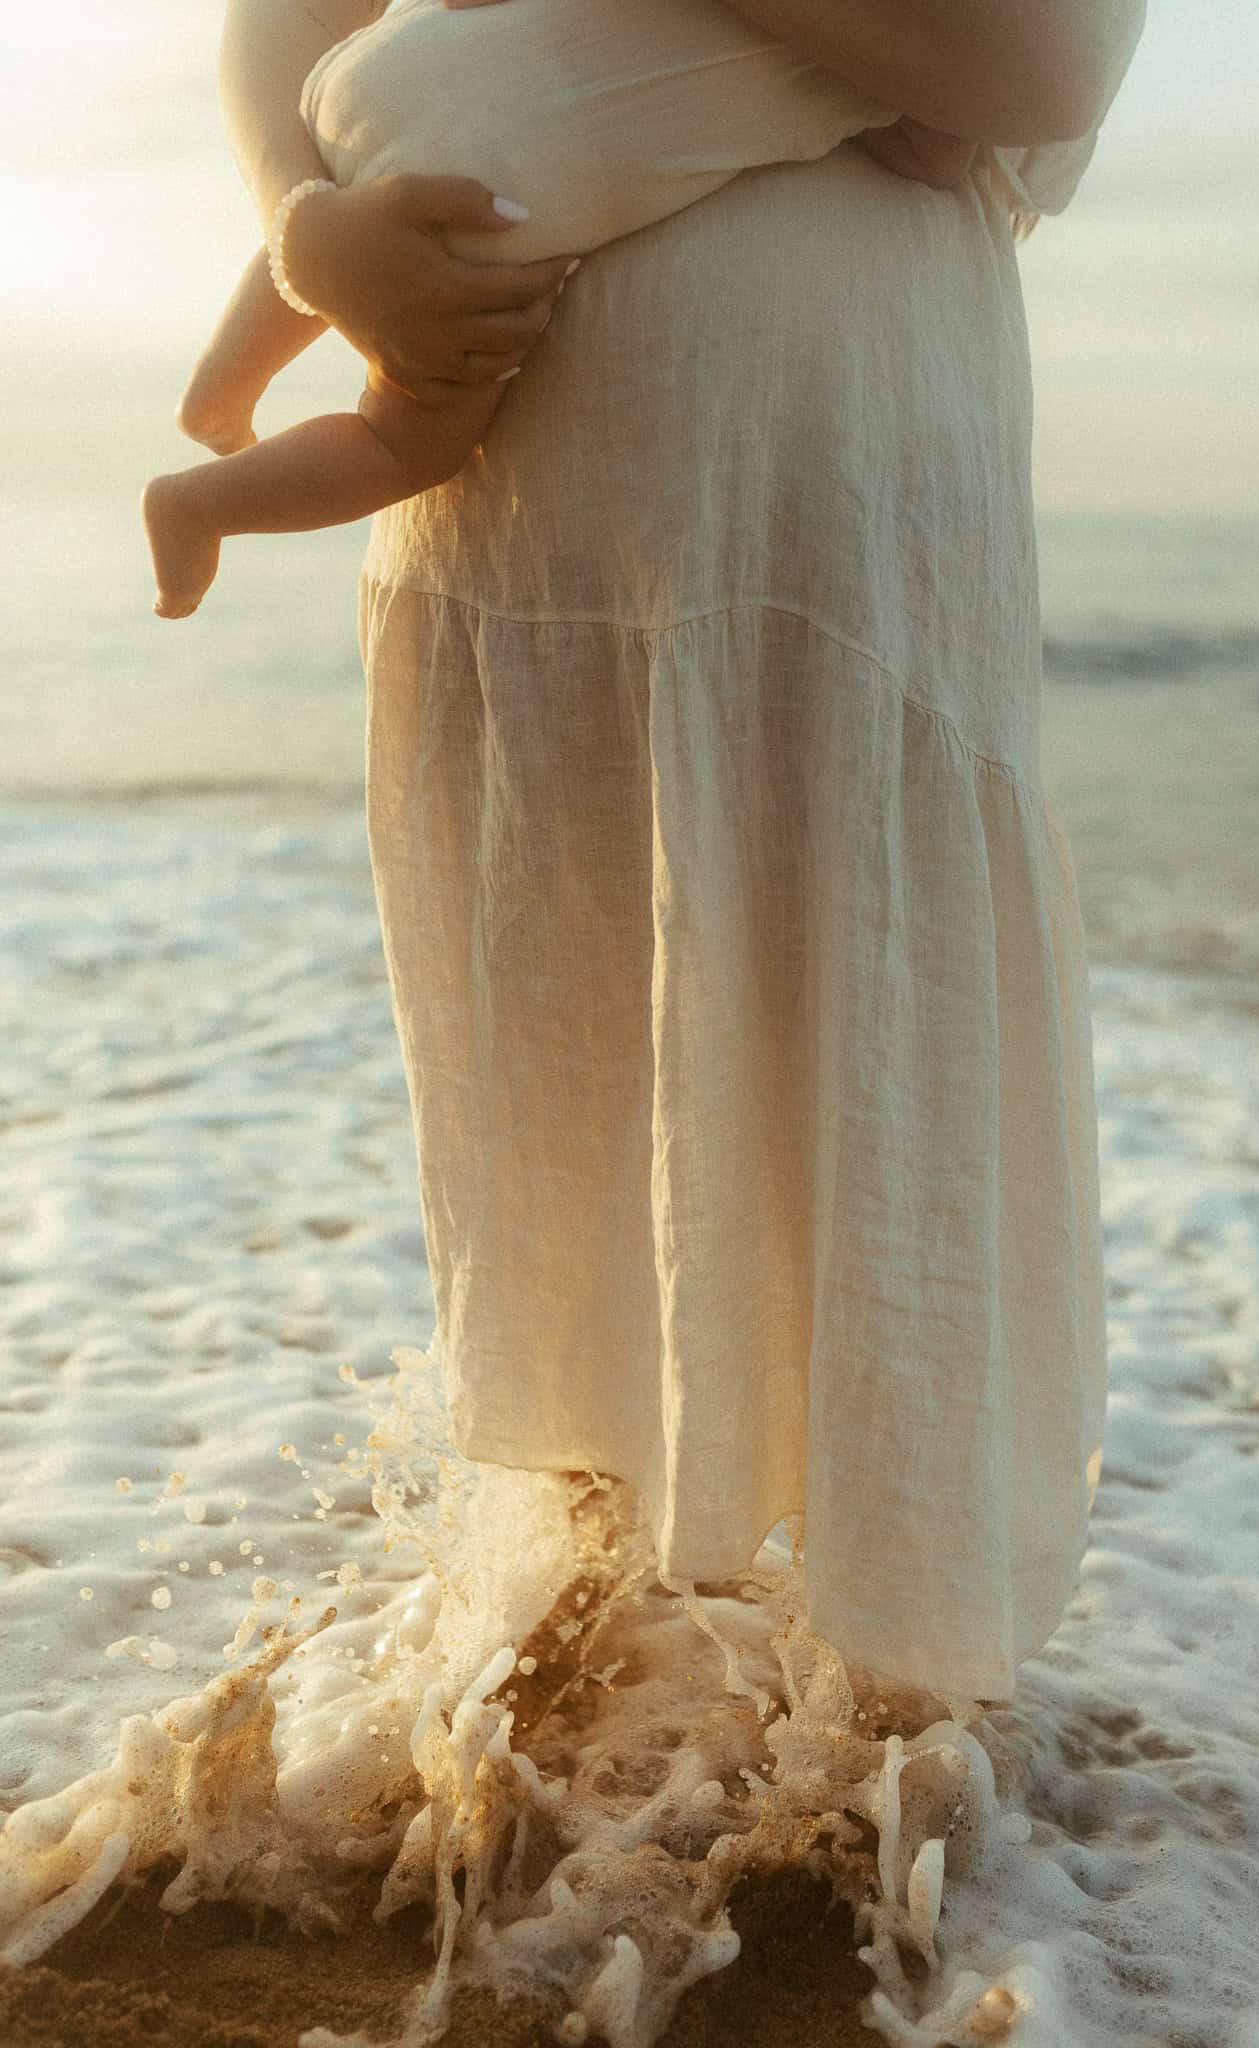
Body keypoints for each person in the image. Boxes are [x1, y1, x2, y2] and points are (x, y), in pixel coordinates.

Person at [219, 0, 1145, 1705]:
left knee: (876, 1047)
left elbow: (1044, 66)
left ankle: (887, 1721)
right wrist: (302, 219)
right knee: (563, 1081)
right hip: (520, 507)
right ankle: (563, 1659)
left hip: (833, 509)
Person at [142, 0, 916, 619]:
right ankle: (199, 506)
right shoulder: (893, 52)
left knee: (332, 227)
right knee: (405, 439)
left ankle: (218, 394)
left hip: (401, 67)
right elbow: (943, 151)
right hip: (492, 201)